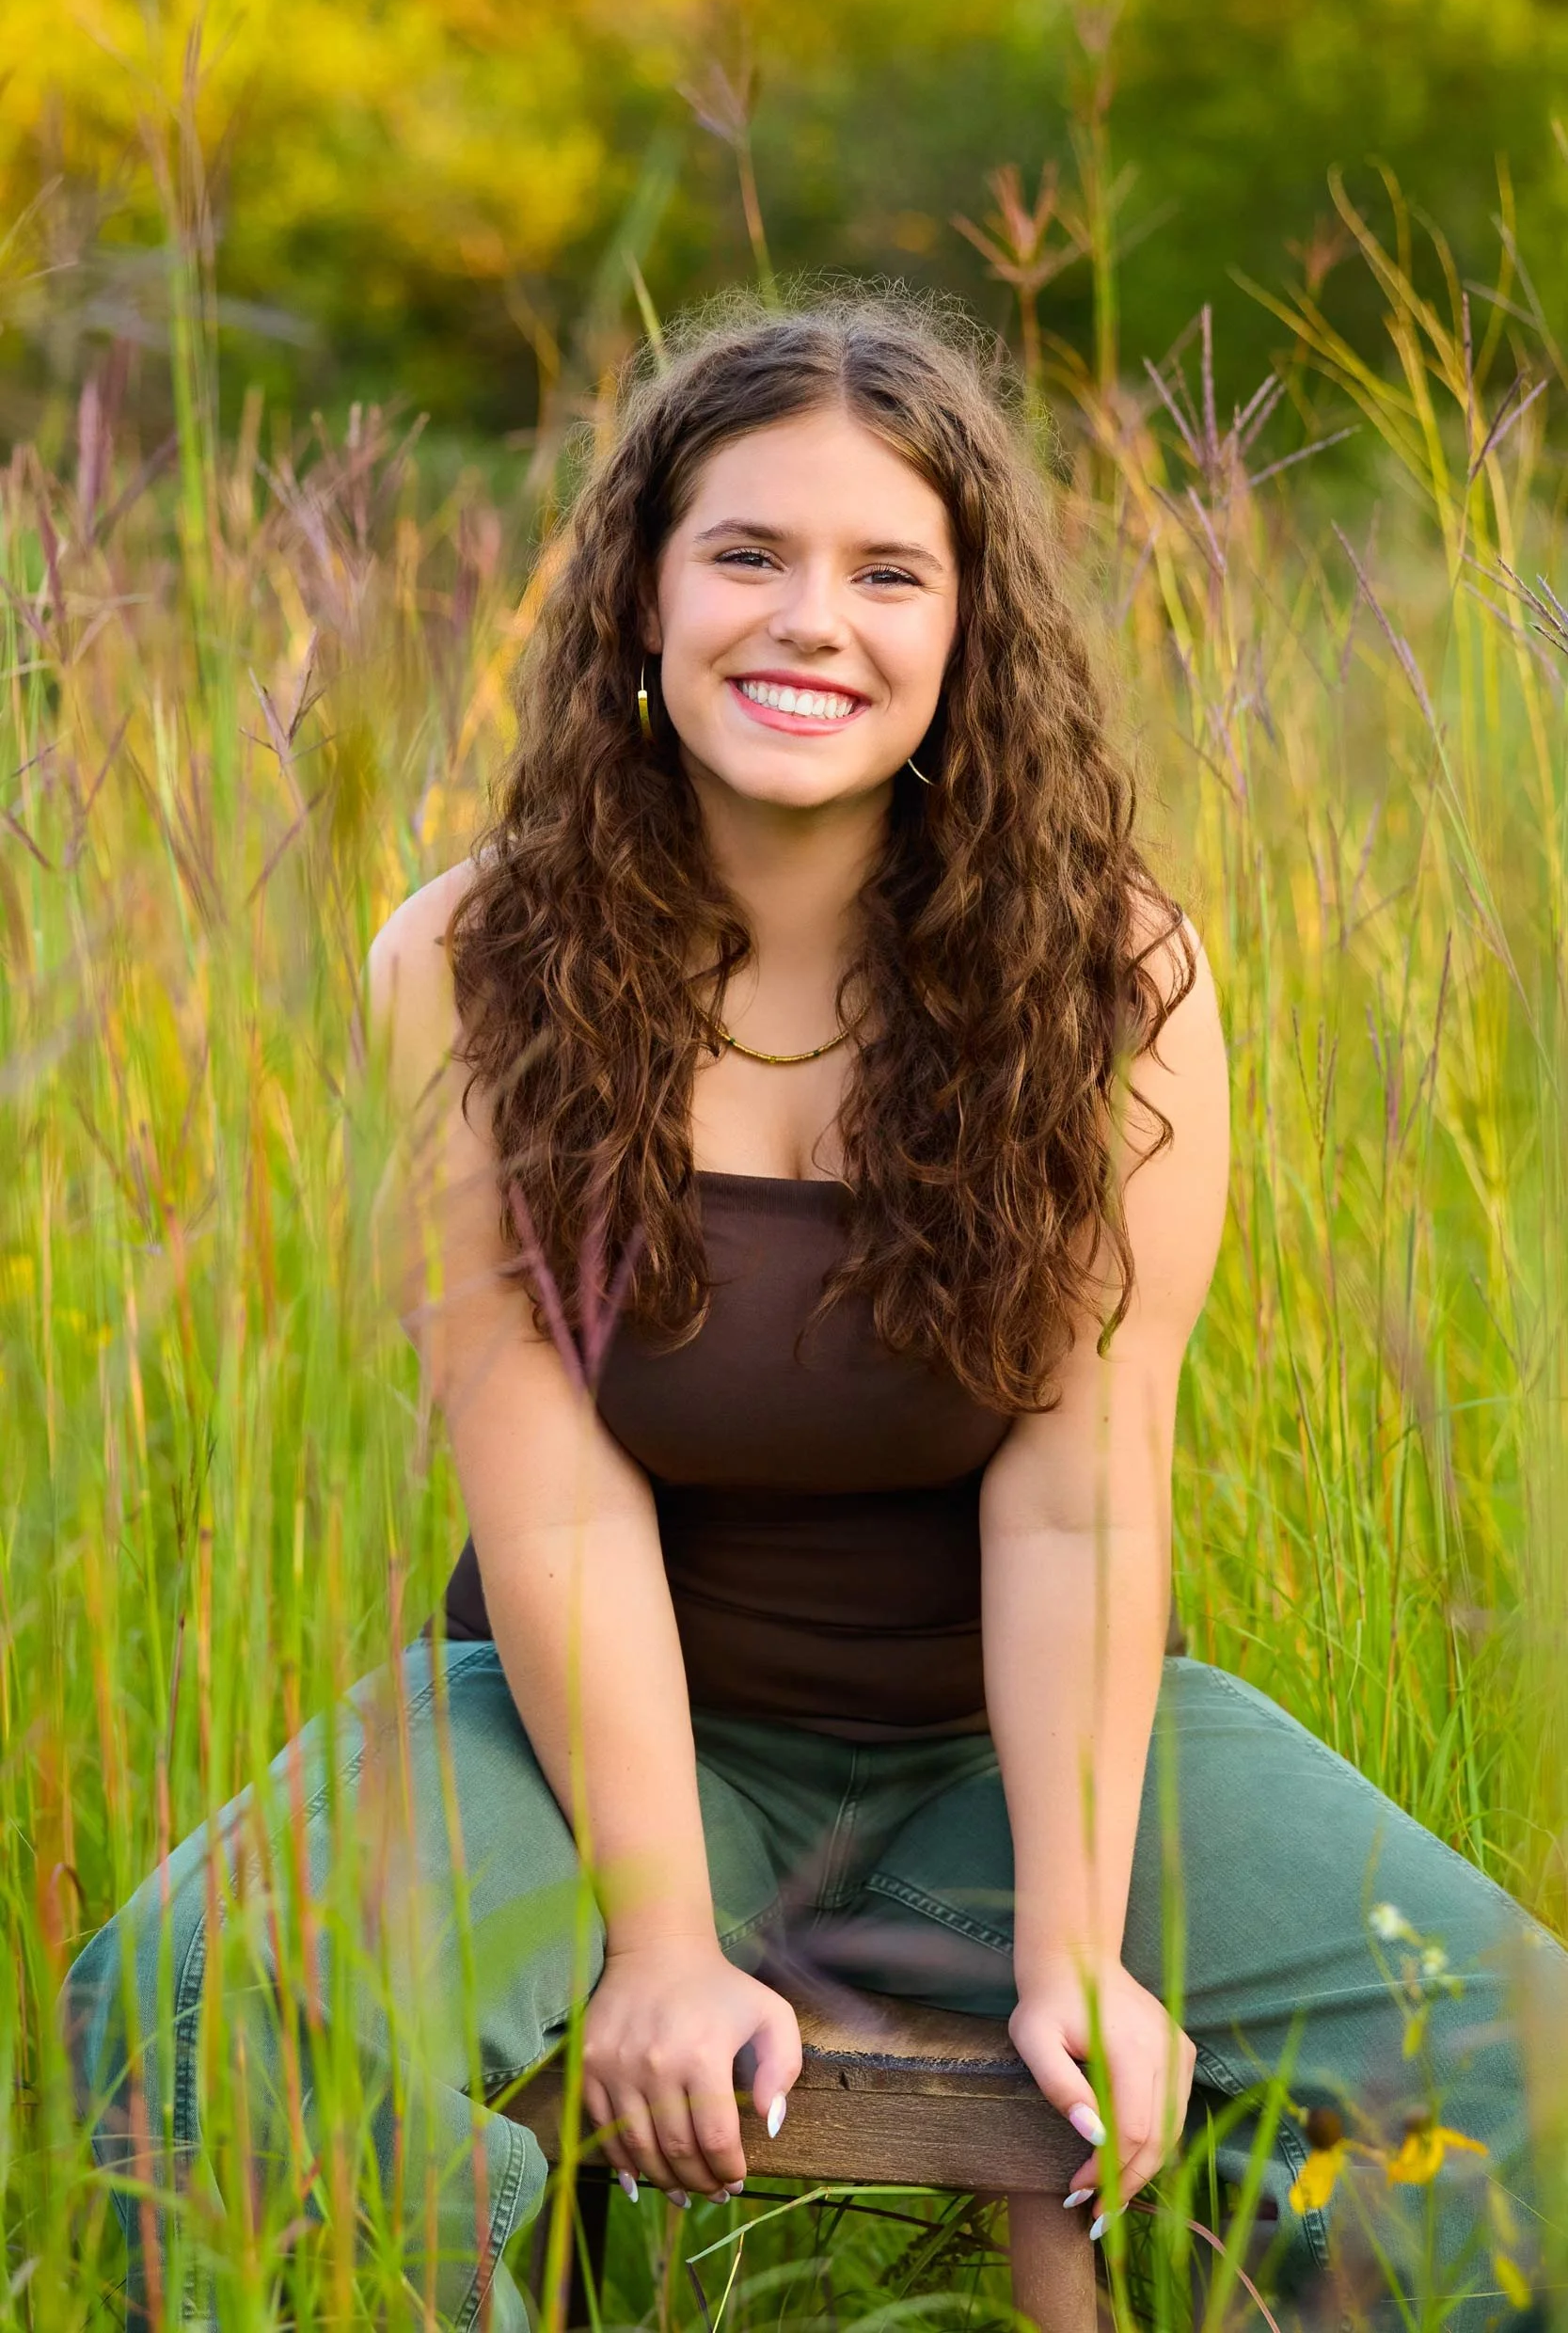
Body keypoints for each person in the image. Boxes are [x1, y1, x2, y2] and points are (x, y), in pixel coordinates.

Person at [64, 294, 1564, 2333]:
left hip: (1001, 1744)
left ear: (962, 633)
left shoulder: (1115, 978)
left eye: (885, 571)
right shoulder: (463, 957)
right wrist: (661, 1934)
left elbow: (1080, 1494)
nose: (810, 621)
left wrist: (1068, 1942)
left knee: (1521, 2080)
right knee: (182, 2005)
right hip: (565, 1728)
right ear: (639, 600)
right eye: (746, 554)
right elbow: (552, 1481)